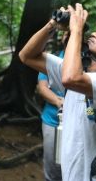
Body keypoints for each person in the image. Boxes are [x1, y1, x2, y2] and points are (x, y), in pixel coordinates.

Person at [19, 3, 96, 181]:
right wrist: (52, 25)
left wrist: (76, 31)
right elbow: (27, 56)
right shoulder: (81, 73)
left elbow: (70, 79)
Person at [36, 31, 68, 181]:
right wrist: (59, 101)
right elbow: (42, 88)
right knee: (52, 165)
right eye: (67, 33)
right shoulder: (52, 60)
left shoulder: (88, 62)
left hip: (81, 124)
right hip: (52, 120)